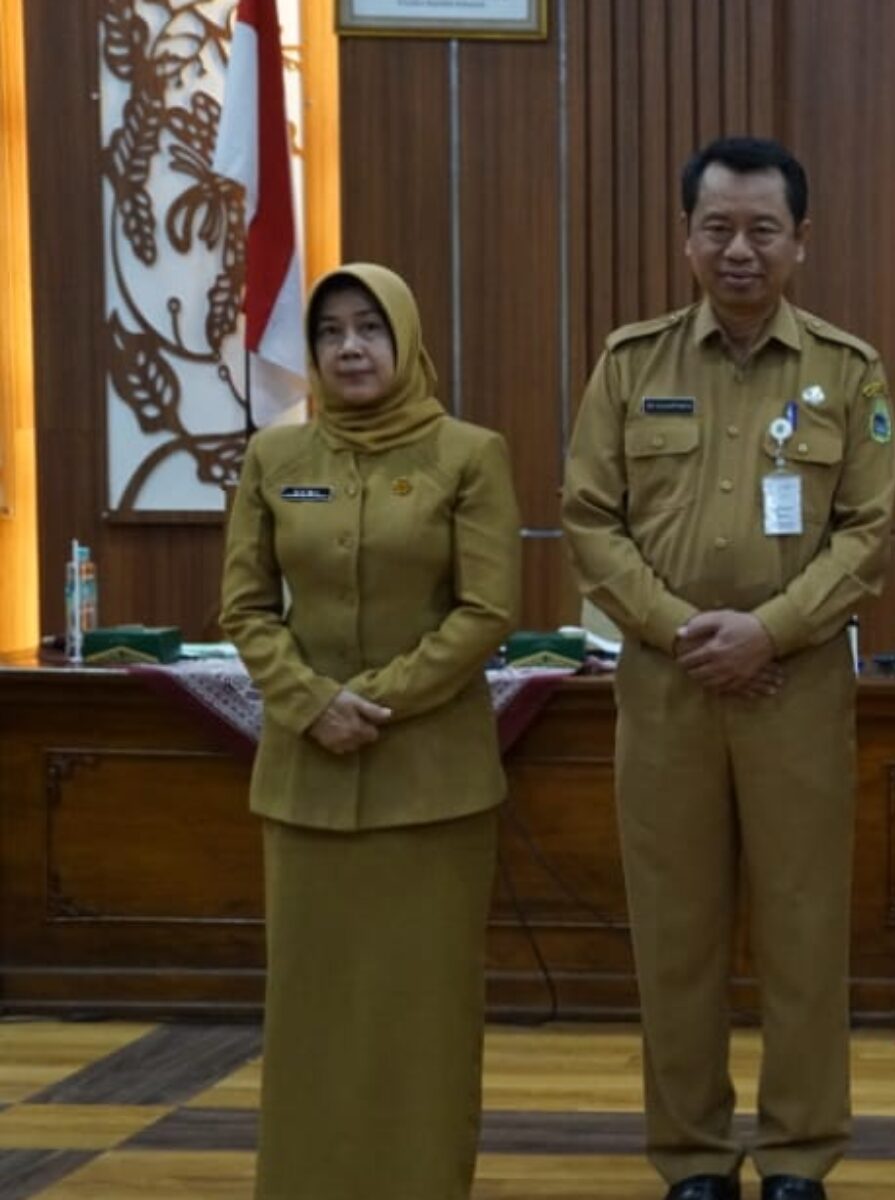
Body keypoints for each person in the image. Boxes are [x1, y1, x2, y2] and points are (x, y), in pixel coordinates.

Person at [560, 135, 895, 1200]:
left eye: (763, 230)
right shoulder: (630, 364)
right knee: (677, 935)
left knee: (804, 933)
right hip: (665, 691)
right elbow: (588, 520)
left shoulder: (847, 371)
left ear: (802, 240)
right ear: (686, 238)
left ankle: (799, 1155)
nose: (739, 250)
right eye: (719, 228)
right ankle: (693, 1157)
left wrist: (772, 631)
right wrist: (678, 630)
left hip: (795, 688)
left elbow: (869, 532)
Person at [220, 262, 522, 1199]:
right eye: (331, 333)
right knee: (311, 1013)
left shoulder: (469, 455)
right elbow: (244, 608)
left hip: (431, 789)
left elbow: (485, 612)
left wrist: (375, 701)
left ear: (405, 339)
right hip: (305, 786)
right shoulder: (275, 460)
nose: (351, 348)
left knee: (420, 1016)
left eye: (370, 329)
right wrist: (312, 703)